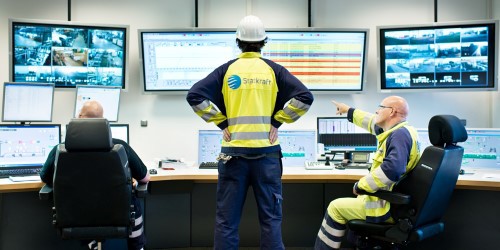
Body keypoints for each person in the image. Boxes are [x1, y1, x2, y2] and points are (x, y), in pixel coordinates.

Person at [186, 15, 314, 250]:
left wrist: (222, 123)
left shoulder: (226, 70)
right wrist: (278, 120)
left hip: (233, 156)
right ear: (264, 41)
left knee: (226, 222)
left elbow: (194, 96)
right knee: (271, 220)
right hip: (267, 157)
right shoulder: (274, 70)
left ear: (238, 41)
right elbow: (305, 98)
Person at [40, 100, 150, 250]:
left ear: (78, 117)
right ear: (103, 121)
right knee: (131, 195)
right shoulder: (121, 147)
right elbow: (145, 178)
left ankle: (91, 243)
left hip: (76, 216)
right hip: (116, 215)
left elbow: (45, 178)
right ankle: (137, 246)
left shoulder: (60, 150)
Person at [315, 96, 420, 249]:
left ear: (391, 112)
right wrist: (348, 111)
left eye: (380, 107)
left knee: (335, 207)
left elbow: (392, 170)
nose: (376, 110)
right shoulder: (402, 131)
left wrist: (360, 185)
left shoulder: (399, 136)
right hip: (392, 204)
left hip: (385, 208)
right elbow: (372, 122)